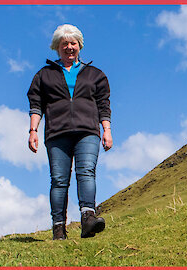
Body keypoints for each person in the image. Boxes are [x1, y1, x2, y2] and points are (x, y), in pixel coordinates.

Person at [27, 24, 113, 240]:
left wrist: (107, 130)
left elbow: (103, 104)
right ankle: (58, 229)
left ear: (79, 46)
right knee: (59, 180)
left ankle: (88, 219)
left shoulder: (95, 74)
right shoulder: (44, 75)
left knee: (86, 172)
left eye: (73, 43)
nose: (69, 47)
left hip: (87, 131)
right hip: (57, 133)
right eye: (64, 44)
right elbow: (36, 104)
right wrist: (33, 130)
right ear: (57, 47)